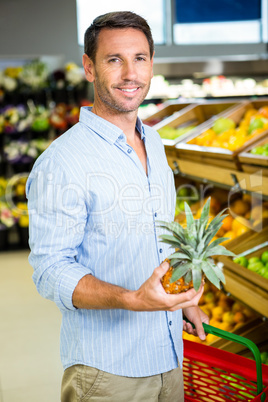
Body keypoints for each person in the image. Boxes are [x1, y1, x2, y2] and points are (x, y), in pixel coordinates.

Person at [26, 11, 209, 402]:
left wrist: (179, 304)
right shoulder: (63, 162)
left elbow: (162, 236)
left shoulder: (157, 144)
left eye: (140, 58)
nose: (130, 73)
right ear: (90, 68)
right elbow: (51, 270)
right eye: (114, 59)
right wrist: (131, 299)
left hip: (171, 355)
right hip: (108, 372)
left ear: (152, 63)